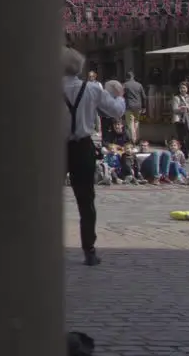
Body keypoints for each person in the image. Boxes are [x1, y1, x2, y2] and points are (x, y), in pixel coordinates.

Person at [63, 47, 125, 267]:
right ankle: (89, 250)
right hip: (82, 146)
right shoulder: (92, 89)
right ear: (80, 68)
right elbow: (116, 111)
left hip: (54, 148)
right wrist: (119, 95)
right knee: (86, 200)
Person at [122, 72, 145, 143]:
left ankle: (133, 140)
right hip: (138, 106)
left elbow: (121, 95)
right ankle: (137, 138)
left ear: (126, 77)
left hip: (129, 106)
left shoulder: (125, 85)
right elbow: (144, 96)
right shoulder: (139, 85)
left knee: (130, 123)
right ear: (133, 76)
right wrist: (144, 107)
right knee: (137, 122)